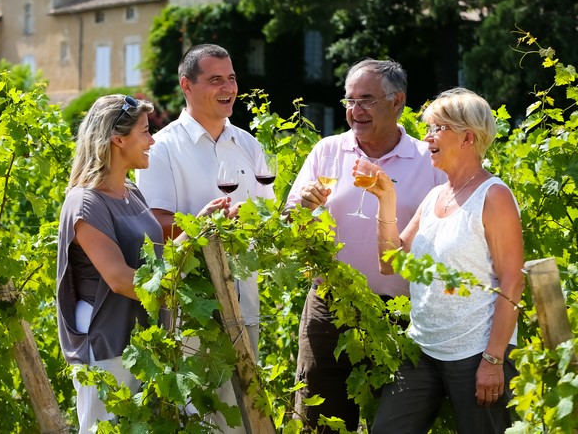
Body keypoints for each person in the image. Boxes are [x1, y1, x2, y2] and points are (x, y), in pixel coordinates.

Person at [286, 58, 446, 432]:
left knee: (399, 423)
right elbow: (290, 223)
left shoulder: (428, 159)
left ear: (397, 102)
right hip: (330, 305)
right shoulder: (327, 151)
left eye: (367, 101)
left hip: (405, 314)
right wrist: (303, 209)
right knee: (319, 419)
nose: (355, 111)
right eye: (350, 101)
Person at [57, 94, 229, 434]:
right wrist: (182, 296)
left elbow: (156, 258)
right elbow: (121, 279)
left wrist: (199, 226)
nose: (152, 140)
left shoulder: (131, 192)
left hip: (147, 340)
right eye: (145, 131)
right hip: (109, 339)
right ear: (118, 139)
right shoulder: (85, 204)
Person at [362, 87, 524, 434]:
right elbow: (390, 263)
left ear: (467, 137)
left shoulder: (493, 196)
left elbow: (512, 281)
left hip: (475, 353)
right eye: (428, 128)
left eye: (437, 128)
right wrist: (386, 201)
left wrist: (493, 360)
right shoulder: (436, 195)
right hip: (421, 349)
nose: (427, 136)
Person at [136, 44, 274, 433]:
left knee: (244, 406)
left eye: (231, 78)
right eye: (216, 79)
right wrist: (203, 226)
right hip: (192, 306)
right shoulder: (162, 148)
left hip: (244, 296)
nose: (228, 87)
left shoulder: (249, 145)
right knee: (199, 413)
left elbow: (265, 216)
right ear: (187, 86)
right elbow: (155, 225)